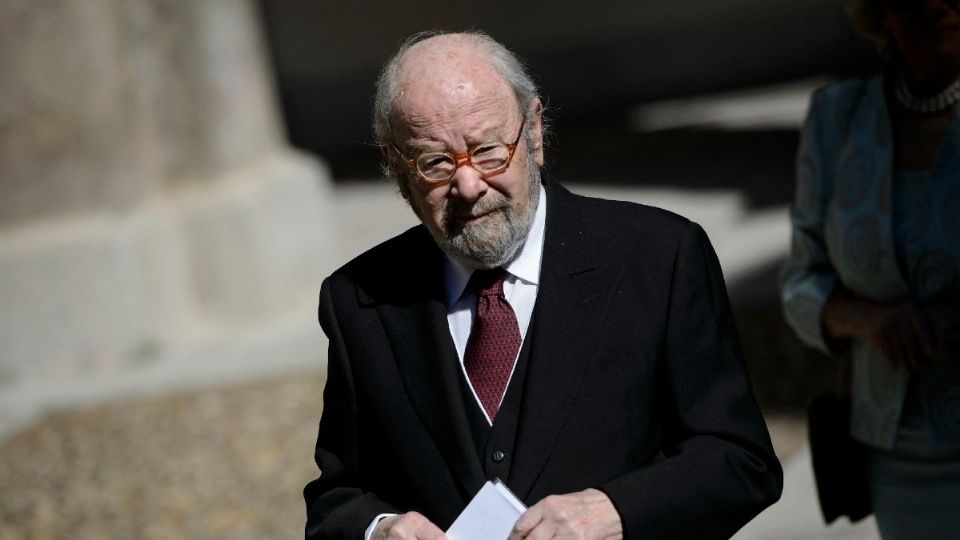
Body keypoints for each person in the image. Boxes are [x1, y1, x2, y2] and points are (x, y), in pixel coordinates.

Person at [305, 30, 782, 540]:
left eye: (489, 151)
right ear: (397, 168)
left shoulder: (658, 257)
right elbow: (337, 499)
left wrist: (616, 512)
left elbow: (740, 460)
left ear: (533, 132)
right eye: (435, 162)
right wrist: (379, 530)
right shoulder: (358, 299)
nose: (468, 185)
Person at [780, 0, 960, 537]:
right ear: (882, 14)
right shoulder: (839, 118)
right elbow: (800, 283)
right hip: (895, 451)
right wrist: (869, 321)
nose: (940, 7)